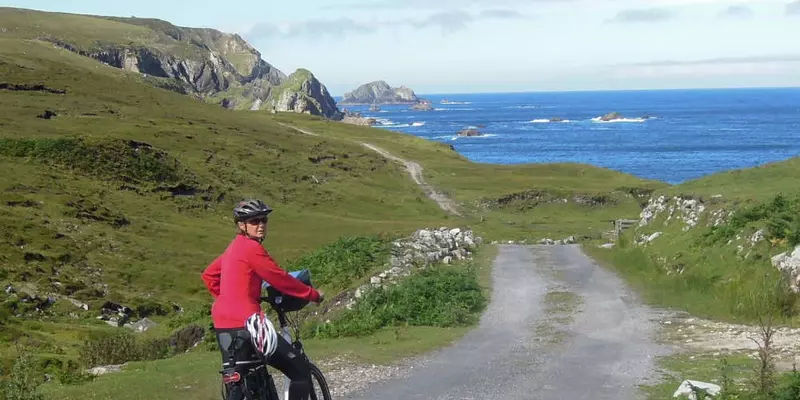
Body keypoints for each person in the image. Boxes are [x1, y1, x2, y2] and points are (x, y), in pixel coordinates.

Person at [201, 199, 322, 400]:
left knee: (241, 376)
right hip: (248, 324)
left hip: (223, 324)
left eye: (264, 220)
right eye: (255, 221)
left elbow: (209, 275)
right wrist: (313, 295)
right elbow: (280, 278)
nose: (261, 225)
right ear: (242, 225)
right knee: (300, 370)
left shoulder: (233, 247)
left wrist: (228, 298)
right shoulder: (252, 248)